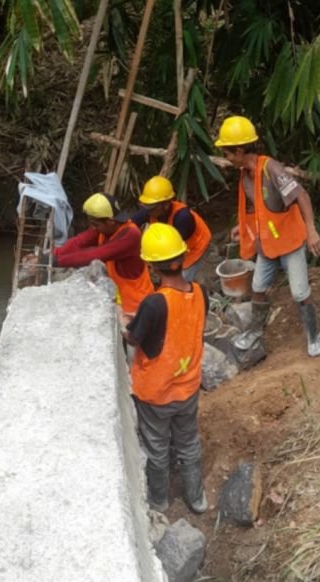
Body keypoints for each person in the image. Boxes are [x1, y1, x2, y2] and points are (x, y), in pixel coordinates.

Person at [214, 115, 320, 357]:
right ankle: (255, 330)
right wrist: (242, 228)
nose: (227, 159)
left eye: (228, 153)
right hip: (268, 244)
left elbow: (301, 196)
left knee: (299, 292)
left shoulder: (271, 169)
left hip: (290, 241)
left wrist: (311, 230)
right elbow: (262, 208)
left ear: (241, 150)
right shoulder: (246, 176)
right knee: (258, 287)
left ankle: (314, 333)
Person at [123, 223, 209, 513]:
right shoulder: (200, 293)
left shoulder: (154, 304)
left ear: (150, 266)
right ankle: (196, 498)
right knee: (188, 442)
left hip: (156, 394)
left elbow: (134, 338)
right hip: (187, 389)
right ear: (182, 258)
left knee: (157, 448)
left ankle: (159, 501)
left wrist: (122, 322)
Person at [54, 193, 153, 315]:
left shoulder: (130, 235)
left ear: (110, 221)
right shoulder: (106, 230)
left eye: (96, 224)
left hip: (136, 308)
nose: (93, 228)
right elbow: (78, 242)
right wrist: (50, 255)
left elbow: (95, 254)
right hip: (120, 304)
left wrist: (57, 261)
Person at [131, 176, 212, 283]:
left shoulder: (183, 217)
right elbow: (130, 225)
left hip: (195, 248)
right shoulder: (152, 211)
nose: (147, 211)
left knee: (180, 280)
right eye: (146, 206)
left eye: (151, 207)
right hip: (176, 247)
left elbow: (171, 249)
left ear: (165, 204)